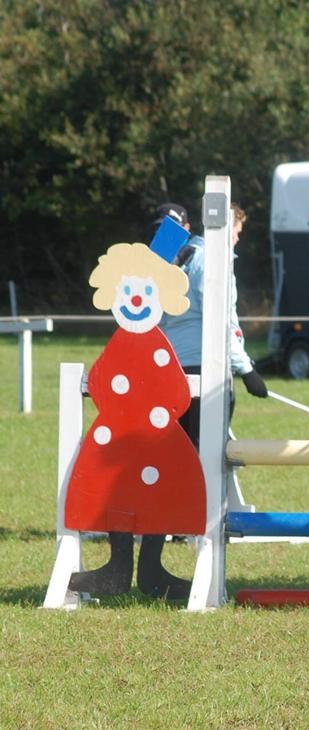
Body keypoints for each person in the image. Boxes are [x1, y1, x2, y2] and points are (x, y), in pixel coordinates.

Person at [65, 241, 205, 600]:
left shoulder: (158, 345)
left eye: (145, 292)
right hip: (118, 438)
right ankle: (118, 568)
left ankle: (151, 570)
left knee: (157, 497)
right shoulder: (122, 342)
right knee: (116, 495)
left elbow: (177, 393)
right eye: (128, 292)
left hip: (154, 440)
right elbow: (100, 383)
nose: (137, 300)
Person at [151, 202, 268, 447]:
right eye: (236, 231)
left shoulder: (177, 256)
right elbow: (219, 323)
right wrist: (246, 370)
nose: (237, 238)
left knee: (181, 451)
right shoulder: (210, 261)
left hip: (172, 365)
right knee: (207, 452)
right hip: (203, 367)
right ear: (226, 229)